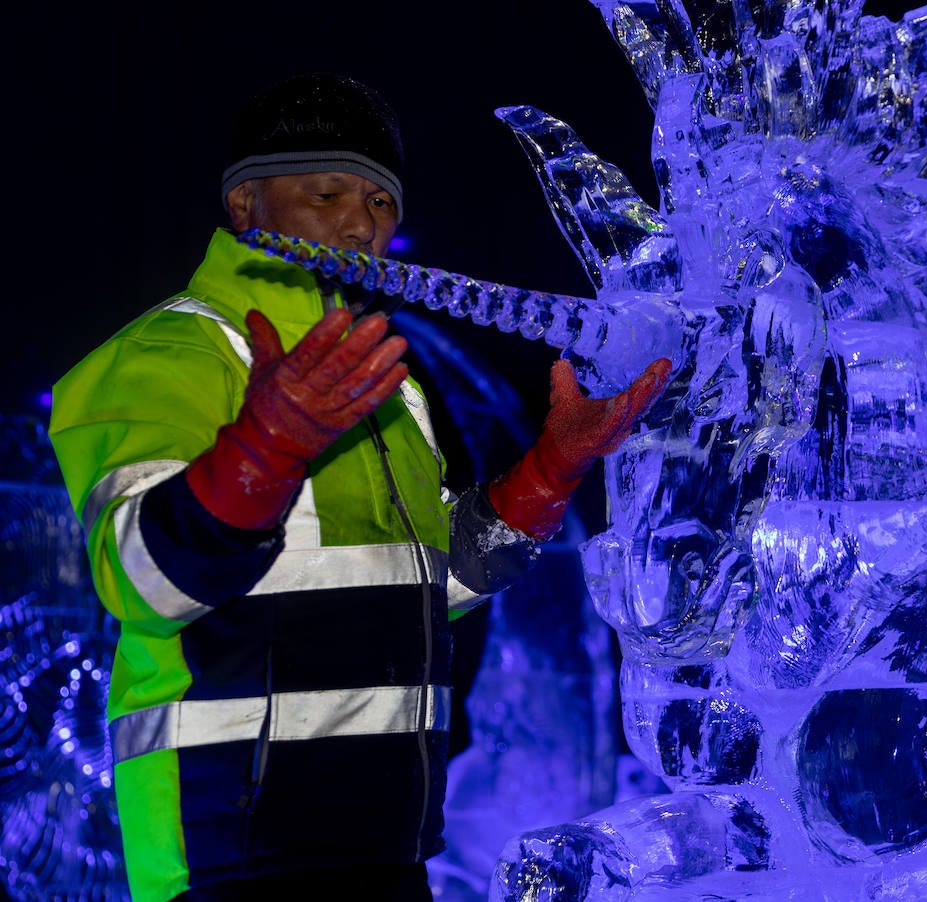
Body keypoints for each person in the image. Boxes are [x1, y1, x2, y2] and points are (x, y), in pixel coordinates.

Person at [47, 72, 671, 902]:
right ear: (244, 208)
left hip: (386, 845)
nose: (359, 223)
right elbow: (141, 580)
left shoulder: (385, 384)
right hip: (231, 850)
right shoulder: (166, 357)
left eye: (382, 204)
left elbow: (427, 583)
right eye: (328, 192)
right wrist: (265, 447)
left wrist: (546, 474)